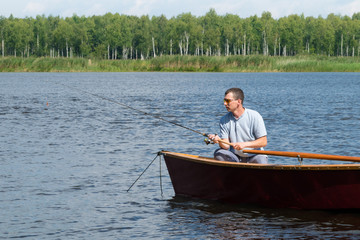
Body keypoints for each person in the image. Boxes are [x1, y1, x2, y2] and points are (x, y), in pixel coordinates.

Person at [208, 88, 268, 164]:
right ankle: (233, 171)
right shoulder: (223, 120)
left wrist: (244, 144)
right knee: (219, 153)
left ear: (239, 102)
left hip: (255, 156)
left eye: (228, 101)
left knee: (261, 159)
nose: (225, 104)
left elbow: (263, 141)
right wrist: (219, 140)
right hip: (235, 157)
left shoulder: (255, 116)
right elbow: (226, 146)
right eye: (224, 100)